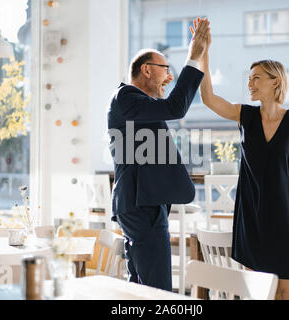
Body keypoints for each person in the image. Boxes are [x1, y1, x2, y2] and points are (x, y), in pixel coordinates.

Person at [196, 24, 289, 300]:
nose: (249, 84)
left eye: (256, 78)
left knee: (288, 292)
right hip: (251, 215)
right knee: (257, 292)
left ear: (275, 81)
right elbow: (208, 98)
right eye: (249, 79)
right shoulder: (245, 116)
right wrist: (204, 53)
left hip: (286, 218)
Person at [107, 18, 210, 291]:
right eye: (165, 69)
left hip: (142, 204)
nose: (170, 76)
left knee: (140, 288)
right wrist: (193, 55)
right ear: (147, 70)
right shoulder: (127, 98)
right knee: (159, 291)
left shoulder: (139, 106)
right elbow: (176, 108)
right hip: (141, 207)